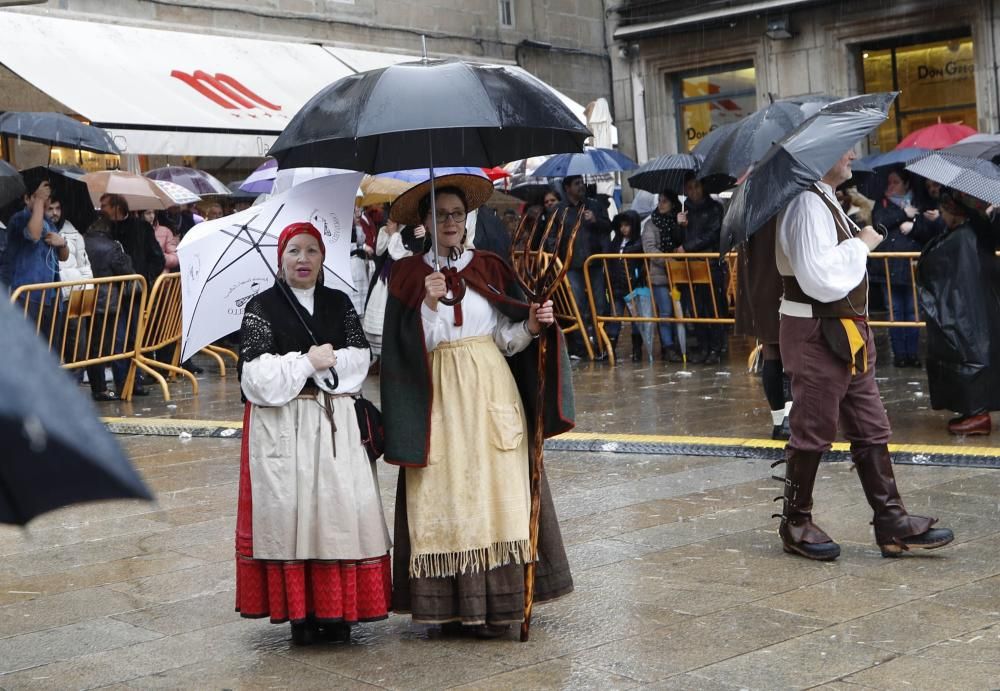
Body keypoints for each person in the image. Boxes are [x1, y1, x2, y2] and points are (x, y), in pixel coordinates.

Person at [380, 174, 574, 638]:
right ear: (423, 222)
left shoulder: (489, 265)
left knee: (496, 494)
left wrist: (531, 323)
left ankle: (502, 604)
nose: (449, 222)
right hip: (438, 398)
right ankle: (446, 607)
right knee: (443, 493)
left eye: (456, 214)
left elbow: (506, 340)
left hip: (491, 390)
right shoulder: (408, 276)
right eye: (439, 214)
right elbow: (403, 351)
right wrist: (426, 307)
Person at [774, 147, 954, 560]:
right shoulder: (804, 202)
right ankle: (795, 520)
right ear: (820, 154)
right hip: (818, 331)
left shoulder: (820, 198)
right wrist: (862, 244)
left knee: (870, 425)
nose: (853, 153)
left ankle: (891, 521)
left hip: (842, 331)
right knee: (813, 430)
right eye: (844, 149)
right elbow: (819, 276)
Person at [235, 222, 392, 645]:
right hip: (283, 426)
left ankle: (339, 613)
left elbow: (360, 357)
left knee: (338, 513)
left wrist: (328, 362)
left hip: (333, 423)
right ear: (280, 259)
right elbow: (255, 376)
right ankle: (300, 616)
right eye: (293, 251)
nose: (302, 259)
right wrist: (306, 362)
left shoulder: (339, 302)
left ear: (323, 259)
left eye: (311, 251)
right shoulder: (261, 307)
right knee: (292, 515)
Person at [917, 188, 1000, 435]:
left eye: (944, 211)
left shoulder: (962, 238)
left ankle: (977, 414)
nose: (942, 216)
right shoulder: (975, 233)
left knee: (968, 356)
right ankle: (975, 411)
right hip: (976, 310)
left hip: (966, 314)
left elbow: (936, 267)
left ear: (954, 213)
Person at [733, 216, 791, 440]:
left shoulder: (751, 209)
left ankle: (779, 422)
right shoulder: (785, 203)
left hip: (757, 287)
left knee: (771, 352)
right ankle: (788, 418)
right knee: (792, 355)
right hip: (783, 285)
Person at [1, 178, 69, 350]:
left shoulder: (50, 223)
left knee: (51, 351)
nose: (45, 203)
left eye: (47, 198)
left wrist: (63, 243)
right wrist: (38, 200)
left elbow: (63, 257)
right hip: (27, 296)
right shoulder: (19, 219)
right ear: (26, 198)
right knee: (29, 351)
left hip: (52, 296)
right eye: (40, 197)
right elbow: (33, 234)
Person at [870, 169, 923, 367]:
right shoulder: (882, 204)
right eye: (889, 182)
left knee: (912, 311)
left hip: (912, 267)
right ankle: (900, 355)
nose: (890, 186)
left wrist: (916, 224)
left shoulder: (918, 202)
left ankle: (913, 354)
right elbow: (879, 223)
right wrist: (903, 214)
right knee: (895, 312)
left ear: (906, 184)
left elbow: (926, 230)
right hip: (888, 268)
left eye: (896, 182)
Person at [557, 175, 612, 359]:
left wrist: (595, 220)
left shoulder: (594, 205)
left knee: (599, 304)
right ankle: (581, 347)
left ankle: (601, 344)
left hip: (593, 263)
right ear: (567, 188)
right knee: (577, 304)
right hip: (571, 264)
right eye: (576, 184)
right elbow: (552, 238)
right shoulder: (560, 210)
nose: (581, 186)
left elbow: (608, 227)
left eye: (582, 182)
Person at [83, 217, 136, 401]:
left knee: (92, 346)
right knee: (117, 344)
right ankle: (123, 386)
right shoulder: (112, 246)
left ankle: (99, 388)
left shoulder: (83, 241)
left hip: (86, 299)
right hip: (109, 302)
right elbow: (126, 270)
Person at [676, 174, 727, 365]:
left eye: (697, 186)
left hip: (710, 263)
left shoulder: (715, 208)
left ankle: (716, 347)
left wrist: (688, 247)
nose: (694, 191)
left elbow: (713, 233)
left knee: (713, 306)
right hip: (690, 265)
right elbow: (677, 238)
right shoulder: (684, 209)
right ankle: (703, 346)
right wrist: (680, 225)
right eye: (689, 187)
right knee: (695, 308)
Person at [640, 191, 684, 362]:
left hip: (679, 274)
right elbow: (650, 249)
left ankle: (680, 344)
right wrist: (669, 260)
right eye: (659, 201)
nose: (661, 204)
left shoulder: (677, 221)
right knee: (665, 311)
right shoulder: (651, 224)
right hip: (660, 275)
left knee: (680, 311)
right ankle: (668, 346)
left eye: (665, 201)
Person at [608, 210, 647, 361]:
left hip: (634, 287)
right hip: (617, 286)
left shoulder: (638, 242)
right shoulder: (616, 243)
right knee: (615, 317)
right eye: (621, 225)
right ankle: (611, 348)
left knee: (636, 320)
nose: (623, 228)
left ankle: (637, 350)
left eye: (627, 225)